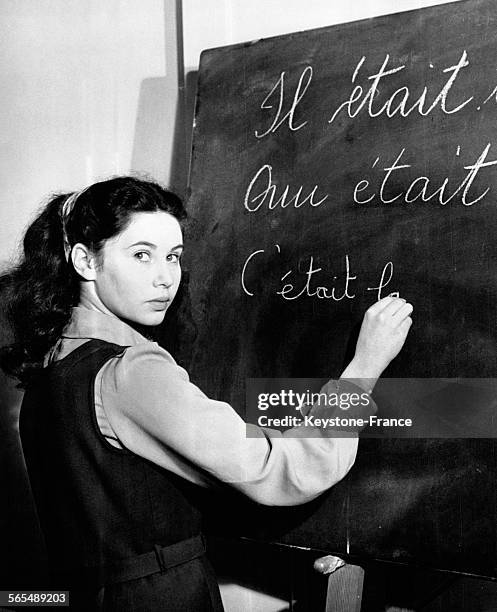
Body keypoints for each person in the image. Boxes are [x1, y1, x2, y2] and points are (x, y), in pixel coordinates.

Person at [0, 176, 413, 611]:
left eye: (174, 257)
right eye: (141, 255)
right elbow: (276, 473)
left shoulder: (53, 369)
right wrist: (364, 368)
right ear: (85, 261)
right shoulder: (134, 372)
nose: (165, 278)